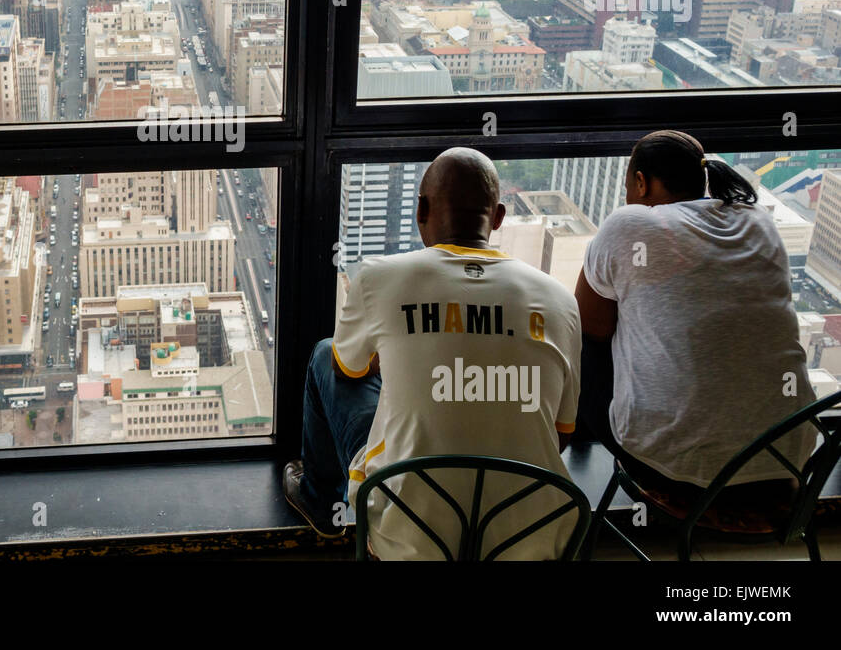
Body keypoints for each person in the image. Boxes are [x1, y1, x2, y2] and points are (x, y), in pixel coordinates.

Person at [284, 147, 582, 559]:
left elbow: (348, 371)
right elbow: (563, 434)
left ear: (421, 209)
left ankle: (320, 502)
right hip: (530, 540)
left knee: (324, 354)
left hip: (411, 539)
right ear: (497, 217)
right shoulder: (560, 301)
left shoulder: (379, 278)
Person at [574, 130, 814, 502]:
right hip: (790, 460)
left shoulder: (629, 224)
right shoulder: (758, 221)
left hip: (682, 476)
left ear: (641, 183)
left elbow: (589, 326)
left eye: (627, 187)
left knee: (583, 345)